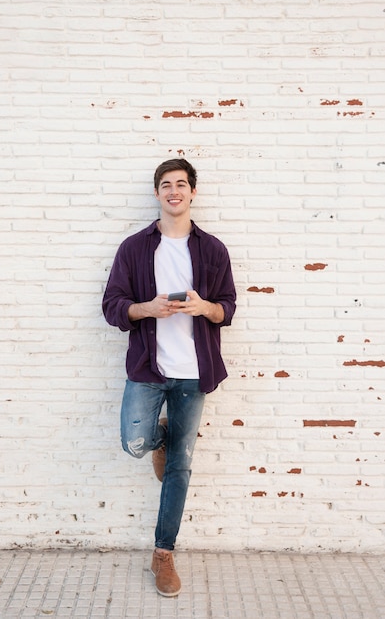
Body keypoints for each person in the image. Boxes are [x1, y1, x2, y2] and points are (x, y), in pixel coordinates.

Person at [102, 158, 236, 597]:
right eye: (166, 185)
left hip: (194, 374)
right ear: (157, 193)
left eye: (181, 184)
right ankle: (158, 436)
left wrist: (204, 308)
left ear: (192, 192)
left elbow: (227, 309)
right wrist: (147, 308)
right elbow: (113, 306)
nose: (174, 191)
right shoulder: (135, 248)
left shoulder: (213, 249)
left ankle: (163, 554)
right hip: (148, 368)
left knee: (180, 464)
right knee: (134, 443)